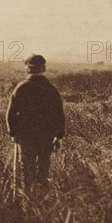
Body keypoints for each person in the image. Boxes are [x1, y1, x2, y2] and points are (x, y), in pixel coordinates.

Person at [6, 54, 66, 193]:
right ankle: (42, 199)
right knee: (43, 169)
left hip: (25, 136)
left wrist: (13, 133)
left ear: (27, 69)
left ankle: (28, 199)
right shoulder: (51, 89)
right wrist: (59, 135)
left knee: (27, 168)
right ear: (43, 68)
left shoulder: (20, 88)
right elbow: (59, 114)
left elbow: (11, 113)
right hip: (46, 135)